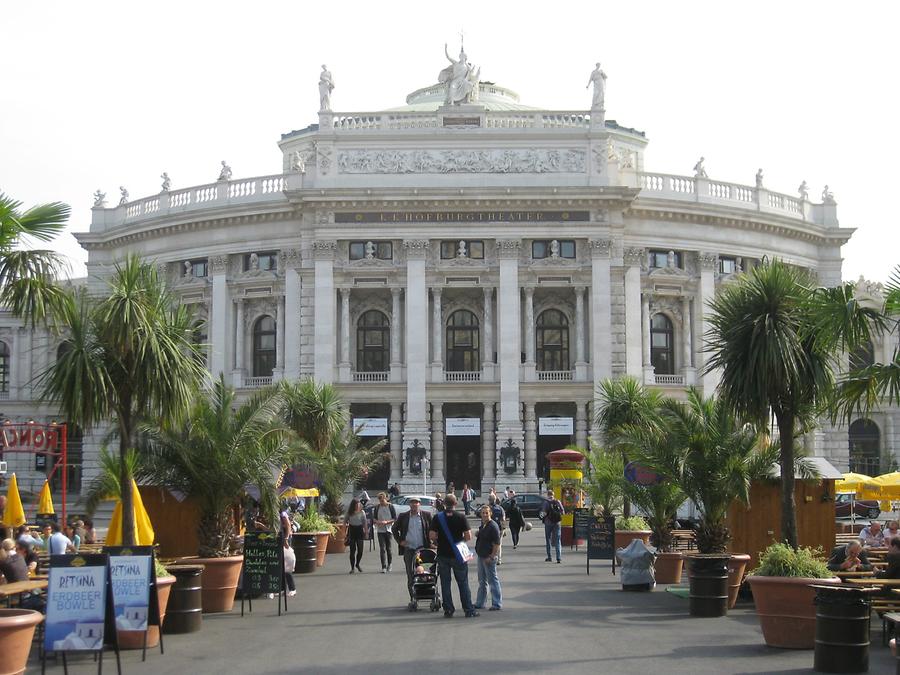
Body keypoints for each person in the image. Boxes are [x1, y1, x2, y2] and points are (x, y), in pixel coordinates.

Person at [429, 494, 478, 618]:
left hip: (443, 554)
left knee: (445, 583)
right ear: (455, 503)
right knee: (463, 582)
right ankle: (468, 609)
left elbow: (432, 536)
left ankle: (449, 609)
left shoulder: (437, 517)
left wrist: (439, 542)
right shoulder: (461, 517)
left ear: (444, 504)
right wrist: (459, 541)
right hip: (458, 554)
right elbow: (468, 536)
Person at [393, 496, 433, 610]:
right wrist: (400, 541)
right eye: (412, 503)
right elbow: (394, 529)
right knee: (411, 575)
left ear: (419, 504)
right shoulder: (403, 516)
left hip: (423, 550)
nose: (414, 505)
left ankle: (428, 594)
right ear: (409, 505)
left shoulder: (426, 515)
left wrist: (433, 542)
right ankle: (413, 598)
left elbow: (432, 530)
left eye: (416, 503)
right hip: (409, 549)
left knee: (426, 573)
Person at [474, 506, 502, 611]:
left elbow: (497, 543)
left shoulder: (493, 526)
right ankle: (480, 603)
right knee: (482, 581)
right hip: (481, 556)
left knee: (493, 581)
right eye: (483, 513)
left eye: (487, 513)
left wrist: (491, 556)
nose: (485, 515)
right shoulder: (484, 525)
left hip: (488, 557)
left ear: (490, 514)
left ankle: (497, 603)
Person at [373, 492, 397, 573]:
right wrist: (378, 522)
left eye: (383, 500)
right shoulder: (377, 507)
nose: (381, 502)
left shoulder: (391, 506)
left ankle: (390, 564)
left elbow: (394, 518)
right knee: (382, 548)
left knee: (388, 548)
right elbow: (374, 519)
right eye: (380, 501)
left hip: (389, 530)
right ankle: (383, 566)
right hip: (380, 530)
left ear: (386, 499)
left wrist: (387, 522)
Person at [540, 489, 564, 564]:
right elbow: (563, 512)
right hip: (557, 523)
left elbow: (543, 513)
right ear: (553, 495)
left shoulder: (545, 503)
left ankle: (549, 557)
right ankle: (558, 558)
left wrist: (542, 516)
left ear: (548, 495)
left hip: (548, 523)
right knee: (558, 540)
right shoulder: (558, 501)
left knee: (548, 539)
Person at [345, 499, 368, 573]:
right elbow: (344, 522)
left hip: (359, 530)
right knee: (352, 550)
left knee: (360, 550)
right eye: (356, 504)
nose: (358, 506)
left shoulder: (362, 512)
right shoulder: (349, 512)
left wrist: (366, 532)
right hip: (352, 530)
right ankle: (352, 568)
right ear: (353, 505)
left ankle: (357, 564)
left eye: (359, 504)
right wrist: (344, 533)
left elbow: (365, 523)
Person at [488, 495, 506, 564]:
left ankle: (493, 557)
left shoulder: (489, 508)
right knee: (499, 544)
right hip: (500, 528)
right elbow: (503, 519)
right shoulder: (500, 508)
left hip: (491, 529)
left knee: (491, 544)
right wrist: (503, 529)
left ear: (490, 500)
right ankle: (499, 559)